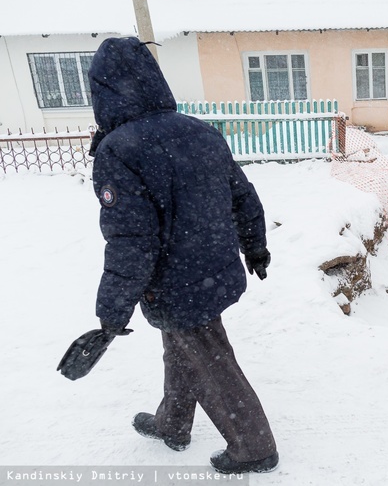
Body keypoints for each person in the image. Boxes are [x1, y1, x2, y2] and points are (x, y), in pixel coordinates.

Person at [87, 37, 278, 474]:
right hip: (213, 269)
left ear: (103, 91)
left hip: (176, 280)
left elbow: (131, 240)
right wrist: (256, 246)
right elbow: (242, 195)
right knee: (183, 346)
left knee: (209, 358)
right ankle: (172, 423)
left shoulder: (120, 149)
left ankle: (253, 446)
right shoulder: (198, 129)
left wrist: (112, 310)